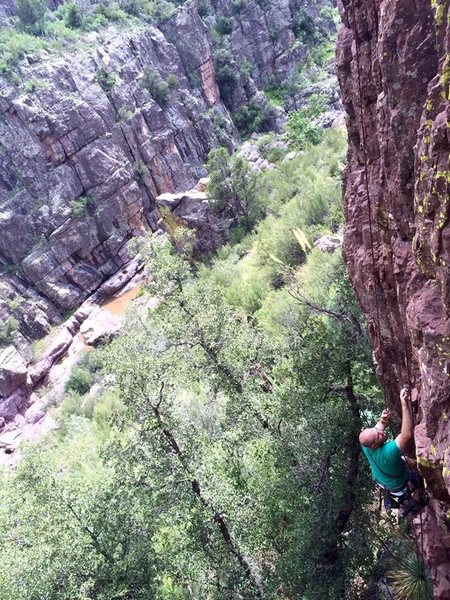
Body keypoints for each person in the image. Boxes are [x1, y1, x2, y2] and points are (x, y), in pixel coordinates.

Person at [359, 387, 426, 515]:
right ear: (373, 445)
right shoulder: (387, 453)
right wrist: (404, 404)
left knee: (409, 461)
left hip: (385, 480)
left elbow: (378, 428)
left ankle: (404, 498)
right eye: (378, 436)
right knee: (418, 478)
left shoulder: (366, 444)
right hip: (398, 484)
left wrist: (382, 420)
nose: (381, 433)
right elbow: (406, 435)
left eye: (377, 431)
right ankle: (413, 502)